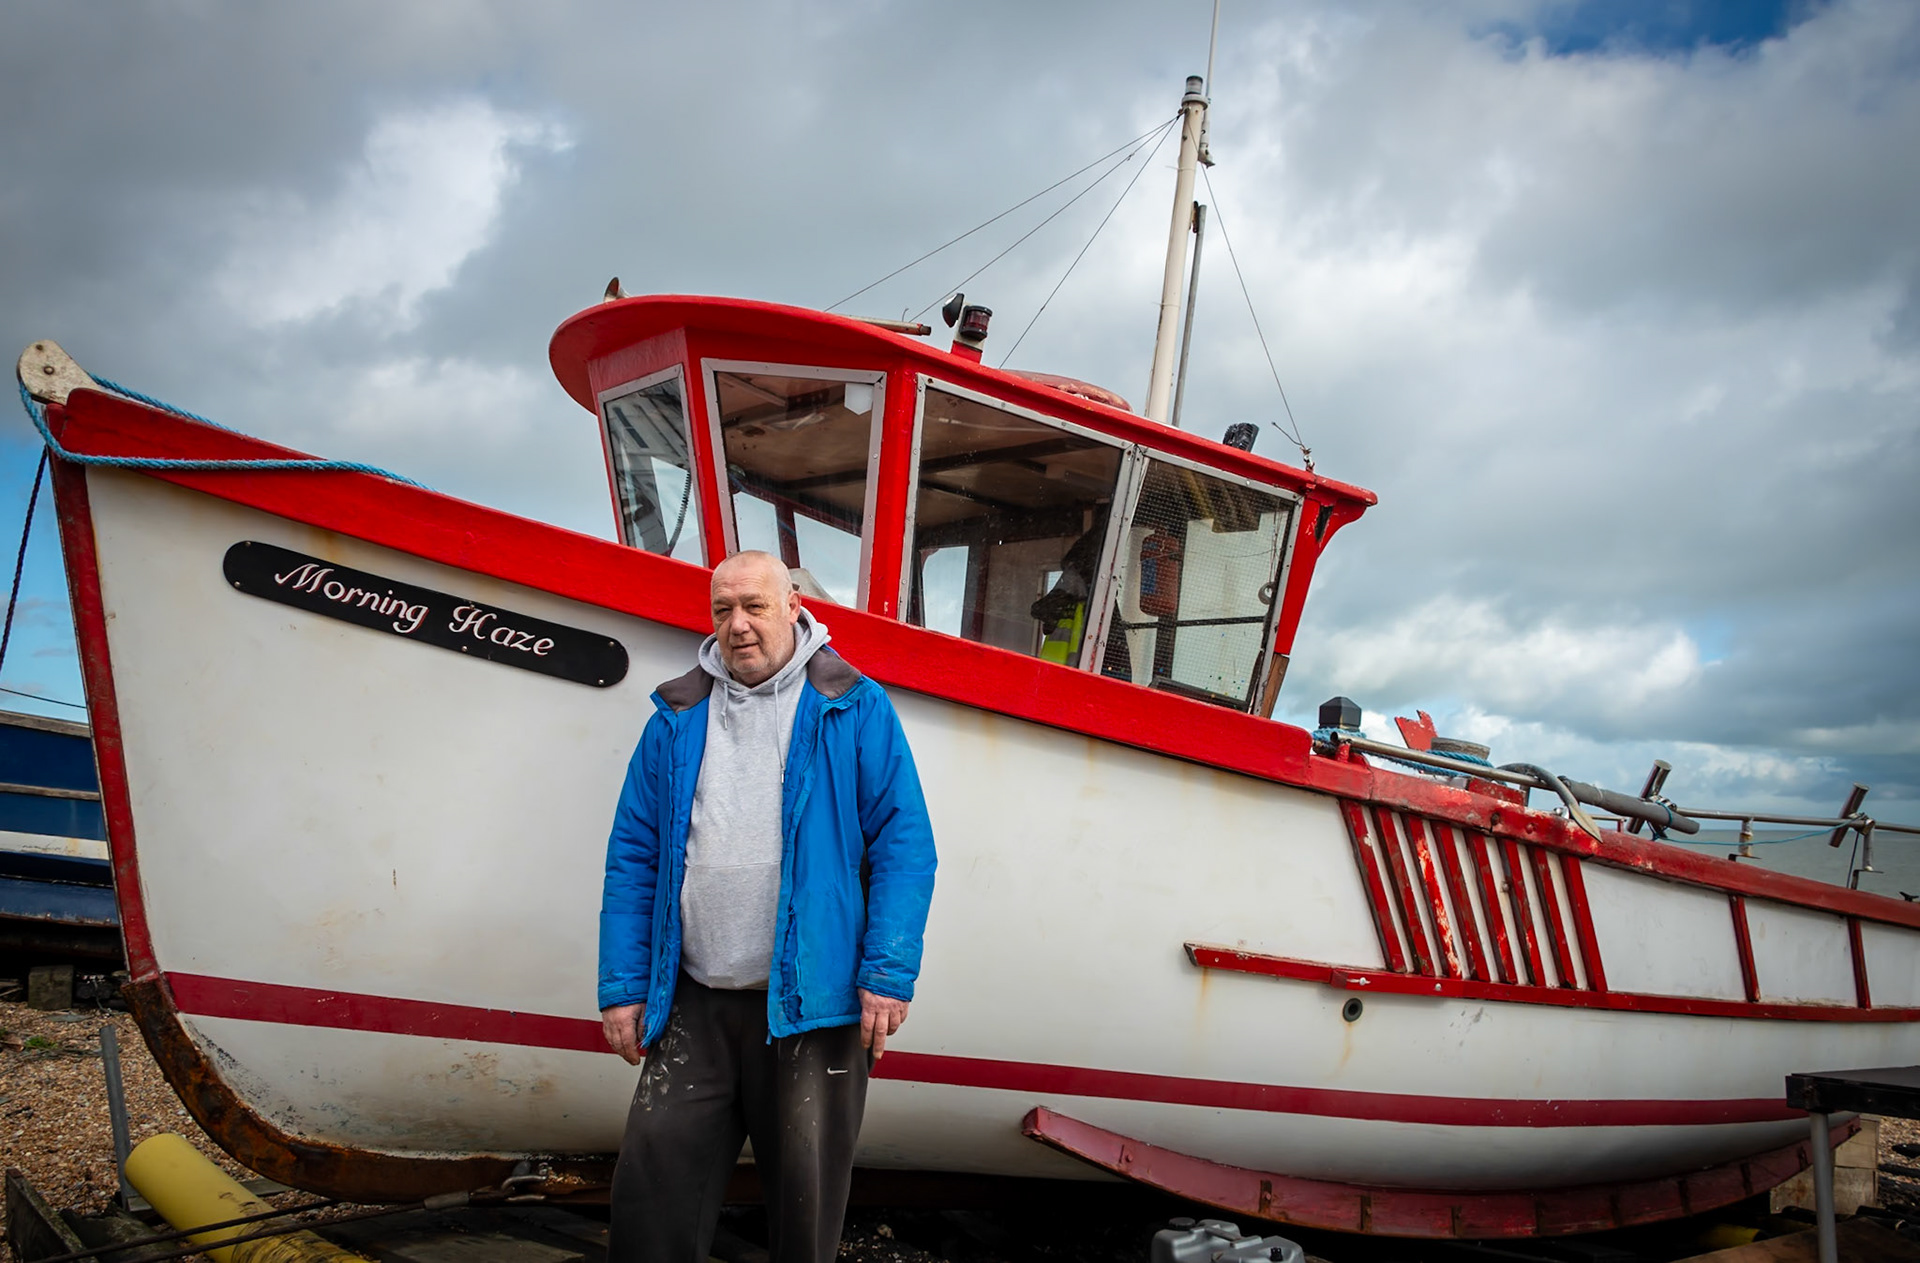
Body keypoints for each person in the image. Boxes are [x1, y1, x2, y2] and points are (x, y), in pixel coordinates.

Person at [598, 550, 937, 1263]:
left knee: (803, 1211)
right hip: (695, 997)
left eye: (754, 606)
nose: (738, 625)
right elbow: (633, 856)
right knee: (653, 1189)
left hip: (817, 1005)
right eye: (723, 609)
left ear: (794, 606)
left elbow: (906, 846)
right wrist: (624, 988)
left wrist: (887, 972)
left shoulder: (854, 706)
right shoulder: (675, 715)